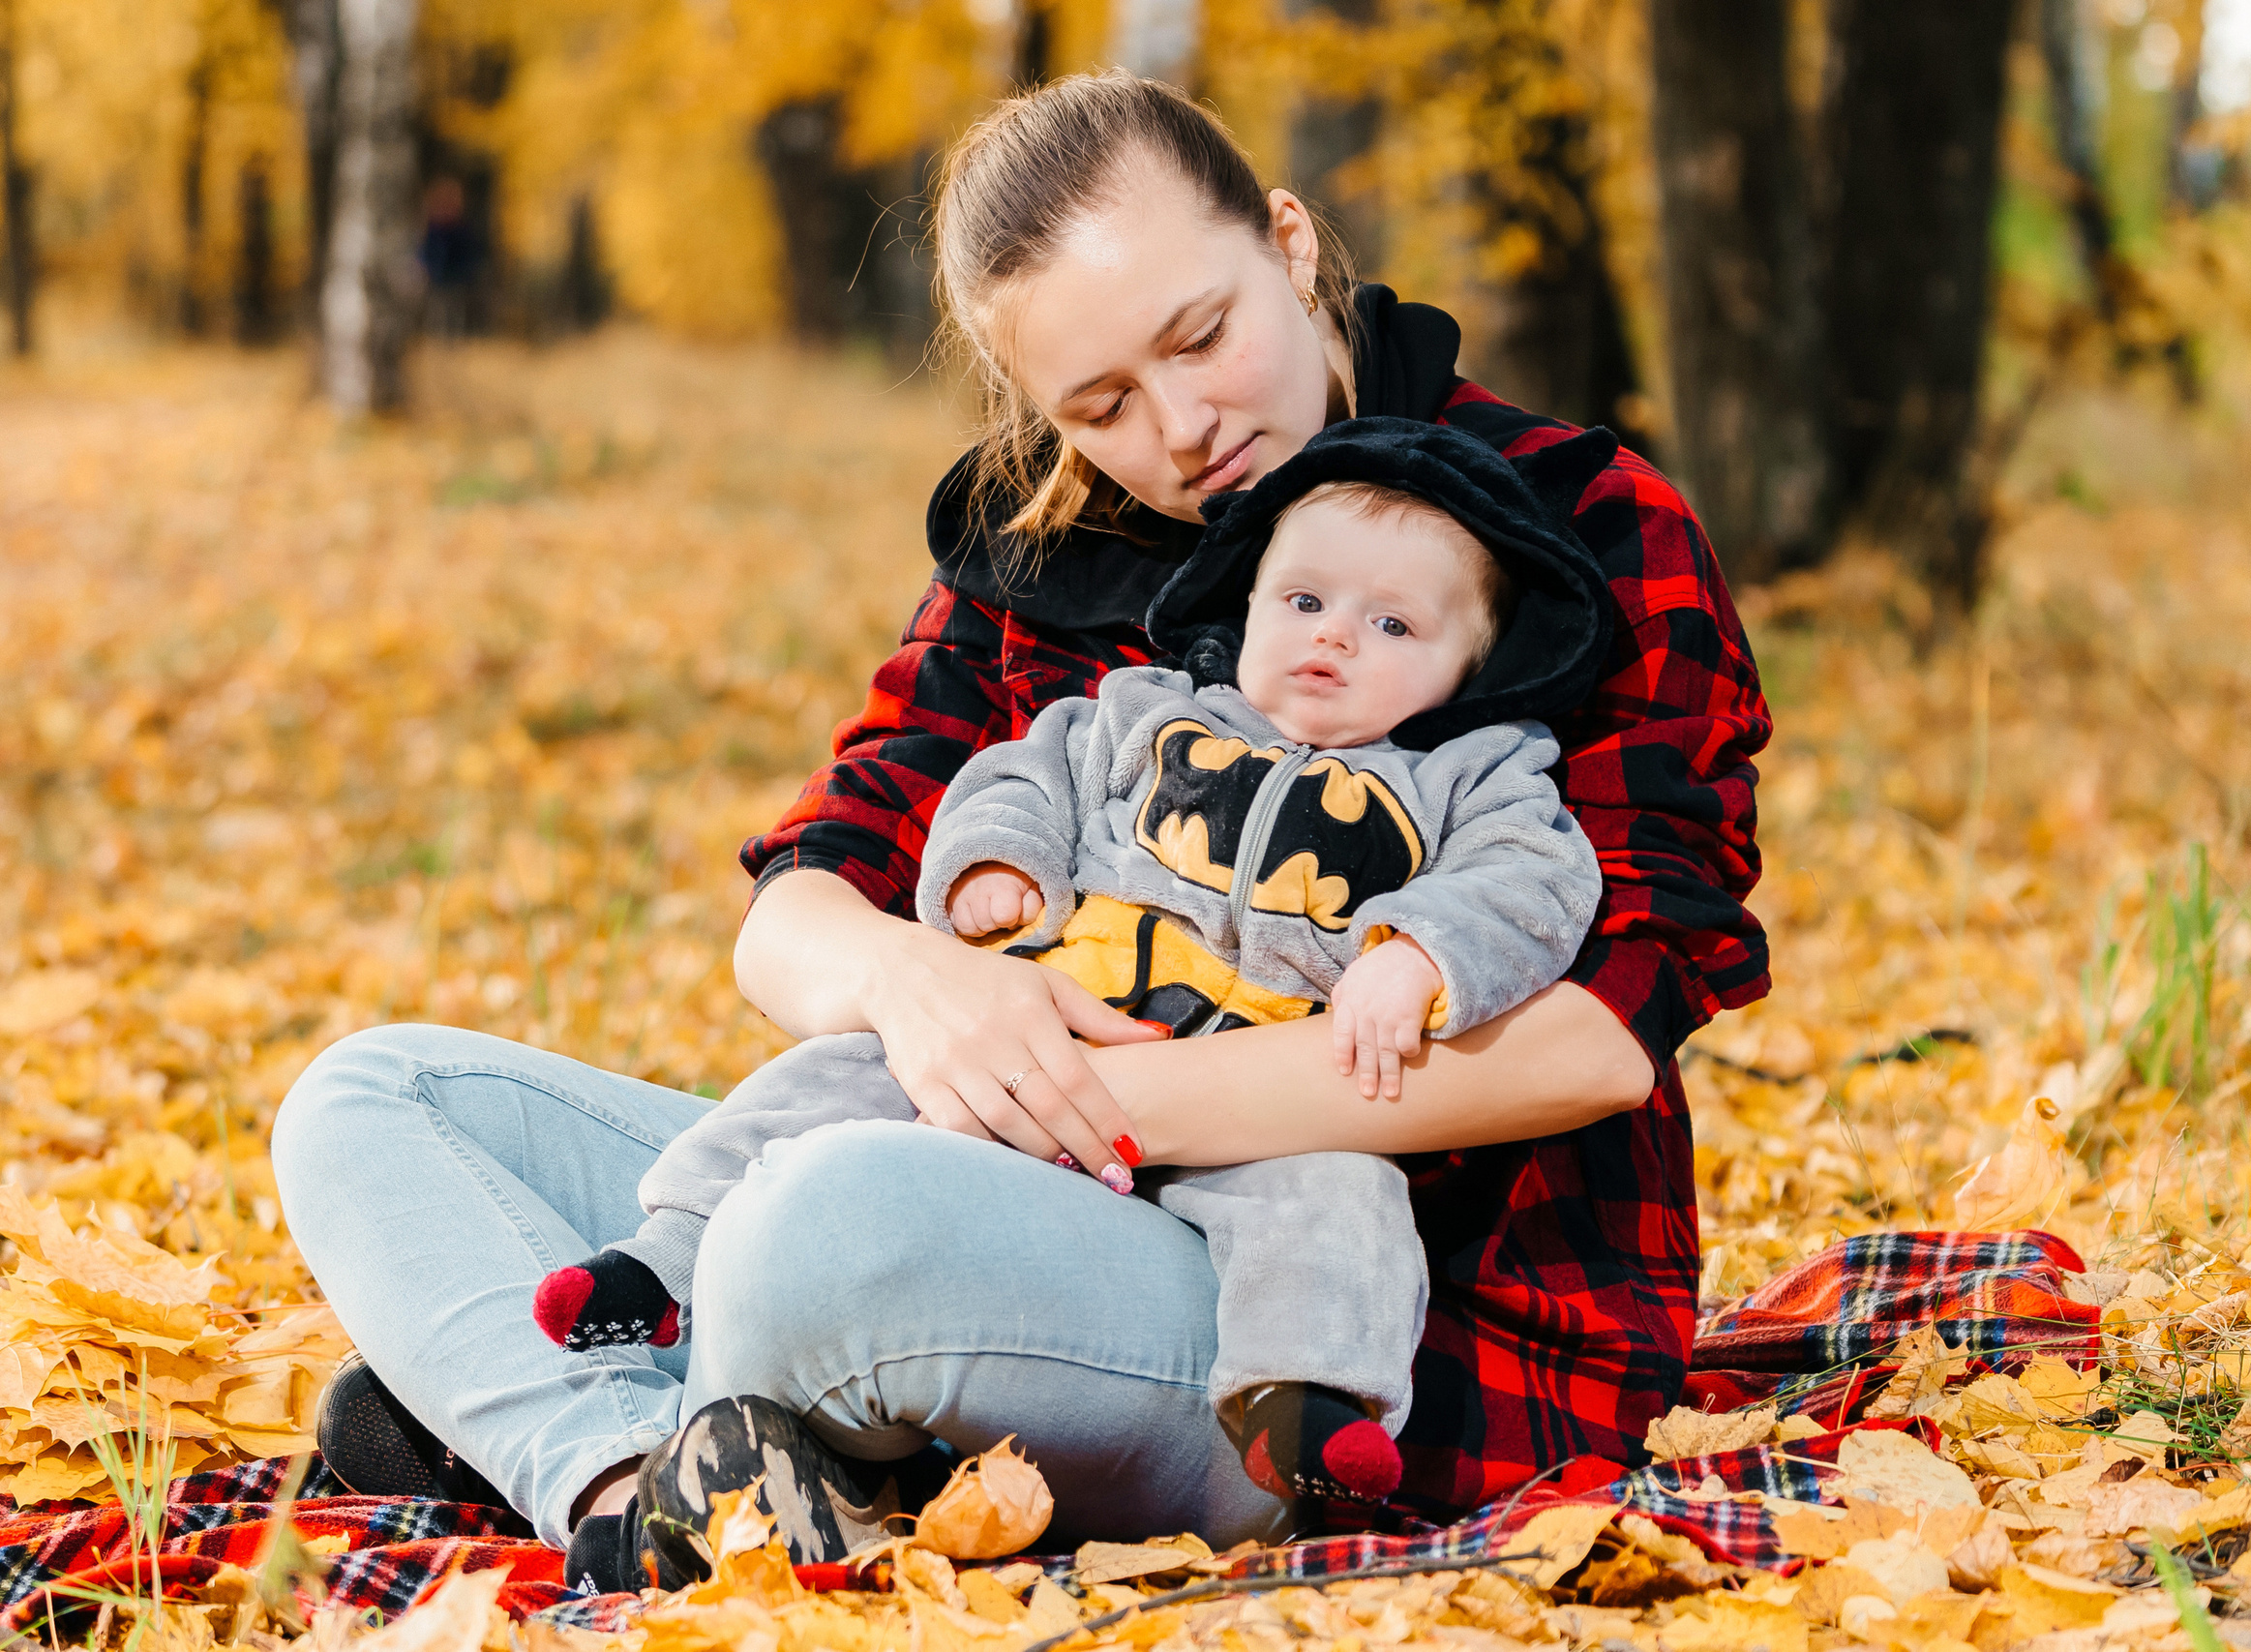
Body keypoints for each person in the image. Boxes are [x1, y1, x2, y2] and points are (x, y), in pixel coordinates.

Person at [271, 68, 1769, 1597]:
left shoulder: (1573, 523)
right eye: (1100, 404)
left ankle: (575, 1419)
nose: (1183, 427)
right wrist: (929, 988)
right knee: (375, 1098)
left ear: (1293, 241)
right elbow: (800, 906)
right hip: (985, 1190)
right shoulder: (1038, 550)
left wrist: (1100, 1101)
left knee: (817, 1228)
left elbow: (1599, 1034)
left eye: (1202, 335)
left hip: (1362, 1321)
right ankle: (627, 1478)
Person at [525, 420, 1608, 1517]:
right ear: (1246, 606)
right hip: (1068, 1020)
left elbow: (1530, 882)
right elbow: (1019, 776)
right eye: (1303, 603)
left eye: (1391, 625)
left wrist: (1419, 953)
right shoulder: (1146, 714)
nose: (1333, 639)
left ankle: (1306, 1403)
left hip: (1260, 1087)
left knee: (1343, 1200)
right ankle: (665, 1259)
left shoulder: (1471, 777)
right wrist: (998, 865)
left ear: (1468, 664)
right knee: (839, 1075)